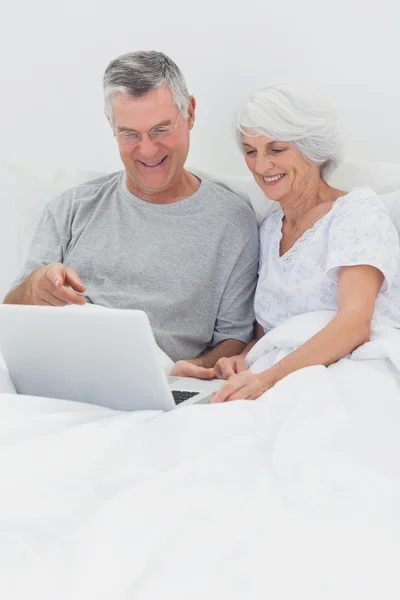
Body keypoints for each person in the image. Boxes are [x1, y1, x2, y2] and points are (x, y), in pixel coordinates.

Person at [4, 51, 259, 375]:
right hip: (62, 379)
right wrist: (34, 287)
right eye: (130, 134)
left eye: (160, 129)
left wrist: (190, 369)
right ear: (111, 127)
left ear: (190, 113)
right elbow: (12, 317)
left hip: (161, 384)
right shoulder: (70, 209)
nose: (148, 149)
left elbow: (234, 338)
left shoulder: (232, 222)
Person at [212, 82, 400, 402]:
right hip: (279, 374)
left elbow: (355, 325)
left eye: (276, 149)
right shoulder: (270, 228)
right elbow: (269, 333)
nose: (260, 166)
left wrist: (267, 380)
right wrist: (242, 359)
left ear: (312, 148)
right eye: (251, 151)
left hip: (348, 371)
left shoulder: (356, 211)